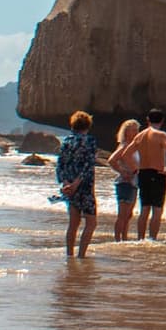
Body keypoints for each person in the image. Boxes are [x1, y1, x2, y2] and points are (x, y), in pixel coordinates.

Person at [54, 110, 100, 258]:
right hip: (84, 186)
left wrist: (66, 183)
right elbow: (88, 165)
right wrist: (76, 183)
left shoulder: (66, 141)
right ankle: (81, 255)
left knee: (73, 223)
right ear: (88, 125)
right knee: (91, 223)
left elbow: (60, 164)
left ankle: (69, 255)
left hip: (69, 187)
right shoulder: (90, 141)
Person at [130, 108, 166, 241]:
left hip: (143, 173)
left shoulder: (140, 136)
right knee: (157, 210)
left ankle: (140, 239)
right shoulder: (162, 135)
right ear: (162, 120)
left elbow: (126, 154)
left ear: (147, 120)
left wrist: (135, 168)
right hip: (157, 173)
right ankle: (152, 238)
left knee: (144, 208)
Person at [108, 119, 142, 241]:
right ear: (126, 132)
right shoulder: (124, 145)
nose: (135, 132)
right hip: (124, 183)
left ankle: (124, 238)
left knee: (128, 215)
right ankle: (118, 239)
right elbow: (111, 160)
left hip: (134, 182)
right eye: (133, 130)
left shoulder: (135, 146)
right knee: (122, 215)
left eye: (137, 130)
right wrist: (122, 172)